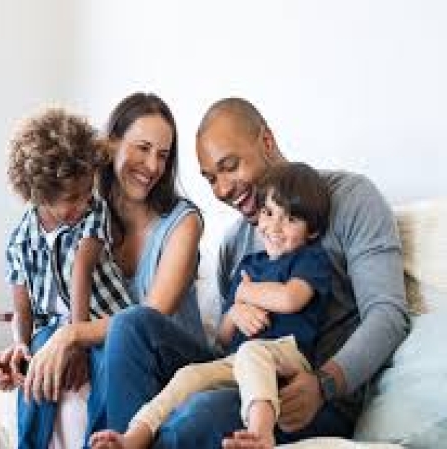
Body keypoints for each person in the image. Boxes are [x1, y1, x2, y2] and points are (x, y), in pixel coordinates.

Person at [97, 97, 409, 448]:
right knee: (131, 325)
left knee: (200, 414)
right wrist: (234, 313)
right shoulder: (235, 243)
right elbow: (225, 345)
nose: (222, 189)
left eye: (229, 166)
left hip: (308, 391)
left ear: (267, 142)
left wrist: (325, 384)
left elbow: (388, 314)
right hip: (242, 372)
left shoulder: (351, 199)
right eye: (211, 179)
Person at [0, 92, 206, 448]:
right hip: (109, 342)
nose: (153, 166)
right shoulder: (84, 210)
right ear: (111, 144)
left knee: (120, 339)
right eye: (143, 148)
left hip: (170, 356)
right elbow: (34, 298)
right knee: (46, 355)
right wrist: (22, 349)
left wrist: (71, 335)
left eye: (163, 155)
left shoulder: (181, 222)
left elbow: (147, 320)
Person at [91, 162, 332, 449]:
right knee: (189, 375)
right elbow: (223, 336)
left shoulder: (309, 258)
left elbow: (291, 298)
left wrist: (246, 292)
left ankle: (260, 434)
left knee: (253, 352)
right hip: (237, 361)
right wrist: (236, 311)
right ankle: (133, 436)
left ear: (312, 231)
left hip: (287, 358)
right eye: (269, 213)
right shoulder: (250, 264)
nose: (275, 227)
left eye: (290, 219)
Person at [3, 107, 135, 449]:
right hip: (54, 329)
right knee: (37, 360)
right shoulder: (20, 240)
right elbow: (22, 310)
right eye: (72, 198)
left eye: (87, 191)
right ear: (39, 195)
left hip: (104, 323)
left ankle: (100, 443)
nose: (84, 202)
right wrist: (21, 344)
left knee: (110, 365)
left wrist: (76, 341)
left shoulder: (94, 211)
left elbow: (81, 268)